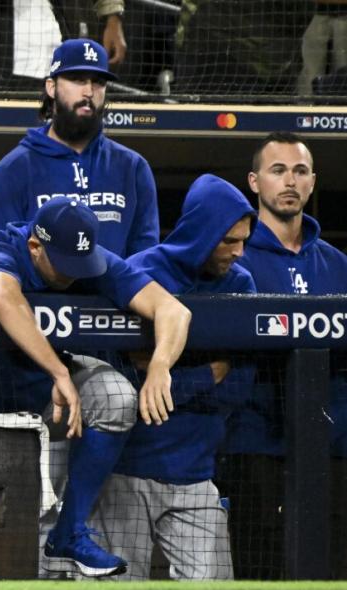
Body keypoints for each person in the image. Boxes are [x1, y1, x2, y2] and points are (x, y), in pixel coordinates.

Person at [0, 196, 191, 577]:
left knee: (116, 395)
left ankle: (69, 531)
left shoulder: (83, 256)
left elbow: (173, 310)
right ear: (35, 246)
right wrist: (59, 372)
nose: (75, 274)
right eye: (65, 265)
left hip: (47, 407)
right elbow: (1, 294)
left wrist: (160, 364)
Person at [92, 174, 257, 580]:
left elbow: (235, 390)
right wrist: (210, 373)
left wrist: (166, 377)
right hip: (125, 470)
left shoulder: (242, 284)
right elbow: (120, 386)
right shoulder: (139, 273)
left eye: (244, 241)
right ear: (202, 233)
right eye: (228, 241)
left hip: (196, 474)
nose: (238, 252)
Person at [220, 132, 347, 578]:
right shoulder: (233, 260)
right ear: (254, 182)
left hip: (333, 449)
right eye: (278, 171)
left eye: (299, 171)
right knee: (262, 572)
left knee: (334, 571)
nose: (289, 181)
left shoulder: (336, 263)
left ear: (312, 182)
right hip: (254, 447)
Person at [0, 38, 158, 259]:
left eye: (98, 82)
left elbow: (146, 258)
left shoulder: (132, 167)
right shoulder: (12, 170)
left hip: (116, 293)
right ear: (51, 87)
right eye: (77, 79)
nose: (89, 92)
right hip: (37, 294)